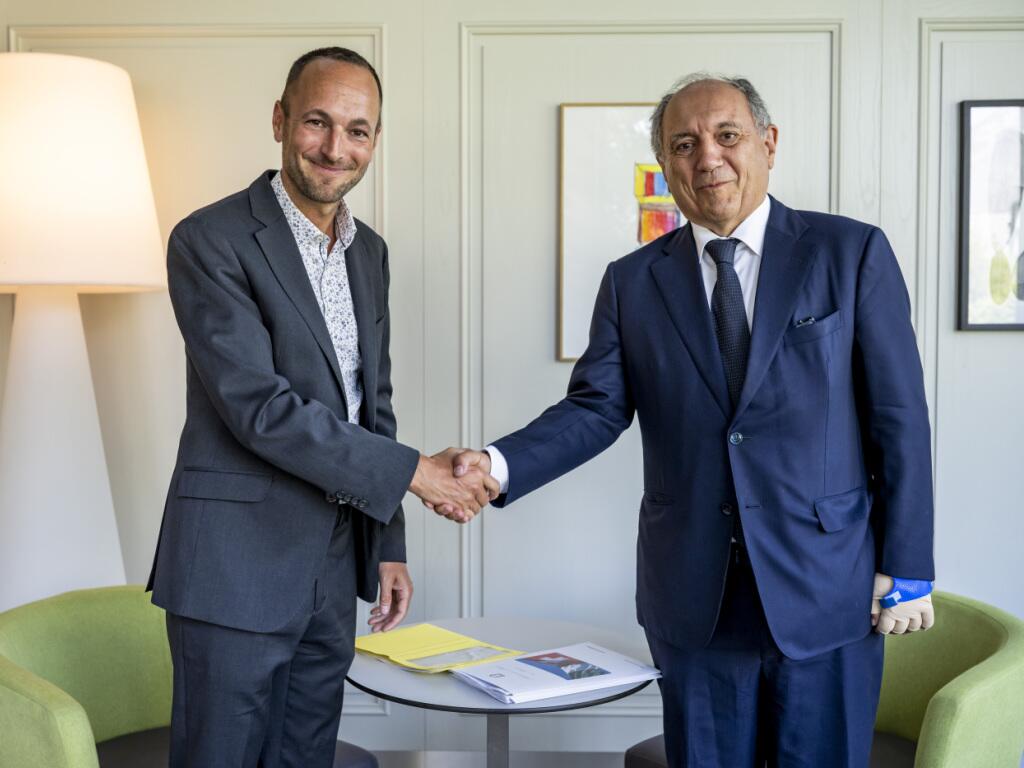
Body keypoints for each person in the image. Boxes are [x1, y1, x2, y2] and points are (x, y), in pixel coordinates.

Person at [439, 74, 936, 767]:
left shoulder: (850, 253)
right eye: (683, 144)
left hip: (829, 586)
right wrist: (494, 465)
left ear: (767, 143)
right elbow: (595, 408)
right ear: (665, 164)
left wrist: (908, 566)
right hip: (695, 597)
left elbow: (898, 416)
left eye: (727, 136)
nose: (707, 158)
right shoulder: (632, 280)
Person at [146, 47, 496, 767]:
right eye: (317, 122)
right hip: (233, 571)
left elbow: (373, 405)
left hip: (333, 572)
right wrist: (417, 473)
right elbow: (260, 408)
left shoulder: (370, 253)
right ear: (280, 120)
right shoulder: (208, 240)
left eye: (358, 130)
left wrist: (387, 544)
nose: (337, 148)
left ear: (375, 138)